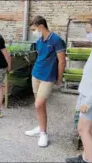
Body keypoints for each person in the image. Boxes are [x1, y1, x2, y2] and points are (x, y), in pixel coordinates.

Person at [65, 16, 92, 163]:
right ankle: (85, 158)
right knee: (90, 129)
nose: (87, 35)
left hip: (91, 98)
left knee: (84, 130)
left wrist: (89, 102)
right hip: (87, 95)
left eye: (89, 31)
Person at [25, 15, 67, 147]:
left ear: (41, 27)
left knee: (38, 104)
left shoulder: (56, 40)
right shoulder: (39, 41)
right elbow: (40, 57)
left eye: (34, 29)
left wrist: (59, 79)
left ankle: (44, 134)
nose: (33, 32)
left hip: (48, 77)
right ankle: (41, 129)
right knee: (40, 105)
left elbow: (62, 61)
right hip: (36, 75)